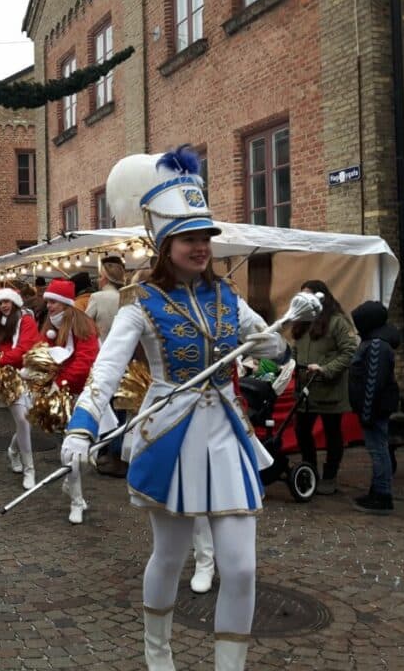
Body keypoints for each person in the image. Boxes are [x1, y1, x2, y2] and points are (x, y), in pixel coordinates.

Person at [60, 148, 294, 670]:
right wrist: (81, 427)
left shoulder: (228, 298)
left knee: (242, 568)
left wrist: (272, 345)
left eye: (205, 237)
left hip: (227, 435)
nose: (201, 247)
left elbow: (271, 344)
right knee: (168, 556)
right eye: (189, 238)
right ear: (165, 245)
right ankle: (158, 656)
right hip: (170, 433)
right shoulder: (139, 303)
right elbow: (107, 369)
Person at [37, 279, 99, 523]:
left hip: (84, 394)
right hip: (62, 396)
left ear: (64, 303)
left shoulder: (83, 324)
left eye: (53, 302)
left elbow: (86, 360)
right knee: (70, 452)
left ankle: (70, 481)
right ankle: (77, 501)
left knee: (90, 452)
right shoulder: (50, 325)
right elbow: (42, 353)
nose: (49, 306)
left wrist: (61, 381)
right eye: (48, 302)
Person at [291, 279, 358, 495]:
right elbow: (297, 350)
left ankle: (330, 476)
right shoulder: (301, 322)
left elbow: (349, 351)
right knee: (302, 429)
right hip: (306, 389)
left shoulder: (337, 322)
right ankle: (310, 469)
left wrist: (326, 369)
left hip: (329, 388)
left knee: (332, 432)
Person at [348, 301, 400, 515]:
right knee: (378, 449)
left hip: (375, 408)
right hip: (374, 407)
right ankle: (377, 490)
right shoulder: (375, 342)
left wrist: (367, 412)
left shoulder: (377, 345)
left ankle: (382, 495)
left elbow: (373, 382)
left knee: (378, 451)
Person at [0, 287, 40, 488]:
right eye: (0, 303)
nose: (4, 306)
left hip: (30, 374)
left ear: (15, 302)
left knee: (28, 420)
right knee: (23, 421)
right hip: (10, 378)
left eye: (7, 302)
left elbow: (24, 348)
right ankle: (30, 470)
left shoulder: (26, 320)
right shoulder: (1, 324)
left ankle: (12, 450)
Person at [85, 256, 130, 477]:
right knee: (123, 408)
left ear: (104, 276)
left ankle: (110, 452)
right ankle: (119, 454)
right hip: (130, 359)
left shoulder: (98, 297)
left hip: (105, 355)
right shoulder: (128, 294)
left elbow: (85, 325)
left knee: (107, 406)